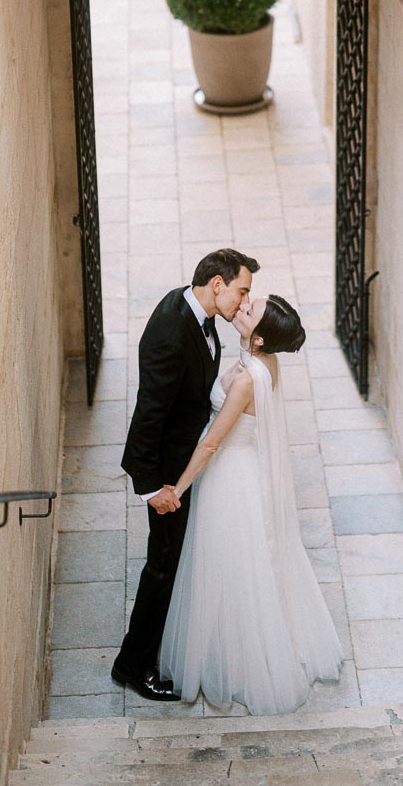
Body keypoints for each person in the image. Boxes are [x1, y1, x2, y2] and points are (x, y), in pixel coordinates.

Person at [158, 294, 343, 714]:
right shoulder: (264, 360)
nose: (241, 307)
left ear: (258, 338)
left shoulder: (245, 380)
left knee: (225, 565)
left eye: (249, 311)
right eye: (248, 302)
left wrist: (178, 490)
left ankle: (233, 655)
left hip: (229, 474)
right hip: (246, 466)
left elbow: (209, 445)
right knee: (241, 563)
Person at [111, 248, 259, 702]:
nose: (245, 301)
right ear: (217, 284)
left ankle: (170, 642)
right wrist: (151, 488)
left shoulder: (196, 311)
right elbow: (148, 415)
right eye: (242, 290)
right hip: (169, 475)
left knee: (176, 561)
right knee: (163, 565)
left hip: (188, 459)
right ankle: (133, 666)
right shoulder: (171, 333)